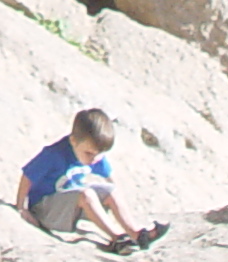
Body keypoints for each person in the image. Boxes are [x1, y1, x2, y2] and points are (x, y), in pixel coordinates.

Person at [16, 107, 166, 252]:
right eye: (89, 153)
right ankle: (118, 238)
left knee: (110, 191)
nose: (94, 159)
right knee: (86, 194)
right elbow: (27, 176)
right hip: (45, 210)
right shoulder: (53, 154)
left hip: (71, 208)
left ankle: (137, 235)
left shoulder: (94, 156)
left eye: (99, 154)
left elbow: (111, 181)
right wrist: (21, 207)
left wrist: (113, 200)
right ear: (73, 141)